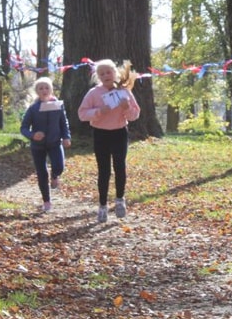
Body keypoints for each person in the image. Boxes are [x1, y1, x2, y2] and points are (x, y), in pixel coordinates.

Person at [78, 59, 141, 223]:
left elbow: (135, 115)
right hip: (101, 134)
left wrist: (127, 108)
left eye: (108, 72)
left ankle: (120, 200)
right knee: (104, 171)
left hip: (119, 133)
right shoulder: (93, 93)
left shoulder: (124, 92)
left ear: (115, 73)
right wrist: (99, 111)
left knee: (120, 167)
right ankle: (102, 206)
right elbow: (82, 114)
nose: (106, 75)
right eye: (102, 73)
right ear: (97, 76)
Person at [20, 77, 72, 213]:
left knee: (59, 167)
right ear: (37, 91)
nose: (44, 90)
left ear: (51, 90)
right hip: (38, 146)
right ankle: (46, 201)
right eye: (41, 88)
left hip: (55, 143)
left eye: (46, 87)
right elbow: (24, 128)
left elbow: (64, 123)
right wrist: (33, 135)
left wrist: (66, 137)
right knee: (42, 172)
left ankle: (55, 176)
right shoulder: (33, 108)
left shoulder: (58, 105)